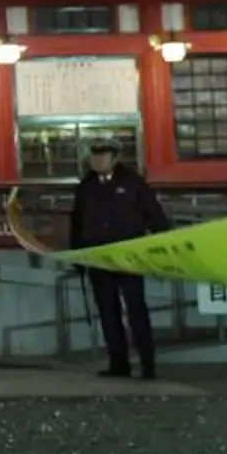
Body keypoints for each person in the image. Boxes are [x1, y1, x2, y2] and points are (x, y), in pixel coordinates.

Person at [68, 137, 170, 379]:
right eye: (94, 156)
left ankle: (147, 364)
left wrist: (163, 247)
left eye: (103, 156)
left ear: (115, 158)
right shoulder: (86, 187)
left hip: (128, 257)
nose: (97, 161)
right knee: (108, 312)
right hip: (98, 257)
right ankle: (119, 363)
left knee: (136, 310)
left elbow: (154, 216)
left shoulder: (133, 183)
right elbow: (77, 223)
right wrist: (77, 255)